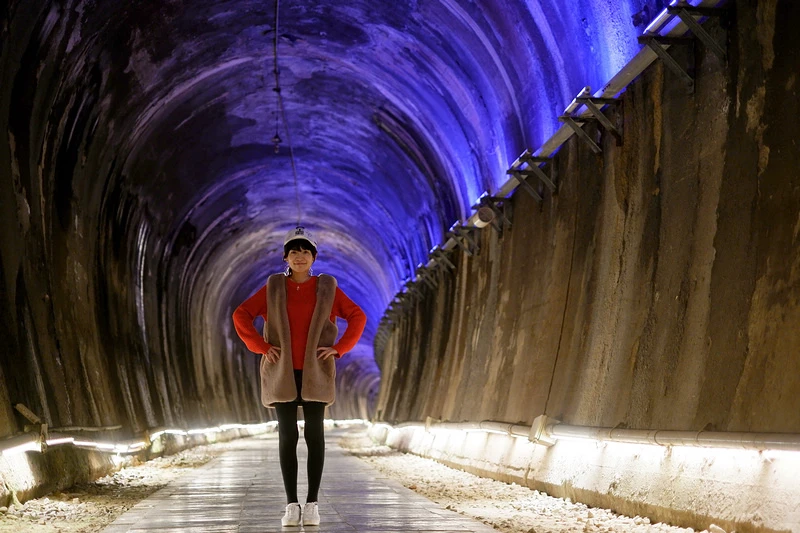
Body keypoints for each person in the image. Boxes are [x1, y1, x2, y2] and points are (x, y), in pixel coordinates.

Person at [232, 226, 366, 527]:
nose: (300, 256)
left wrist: (339, 348)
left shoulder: (327, 287)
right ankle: (291, 504)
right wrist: (261, 347)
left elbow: (357, 316)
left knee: (315, 435)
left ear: (314, 257)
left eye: (306, 251)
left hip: (316, 370)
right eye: (294, 251)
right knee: (287, 435)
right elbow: (241, 314)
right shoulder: (273, 287)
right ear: (286, 257)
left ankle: (312, 504)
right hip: (281, 370)